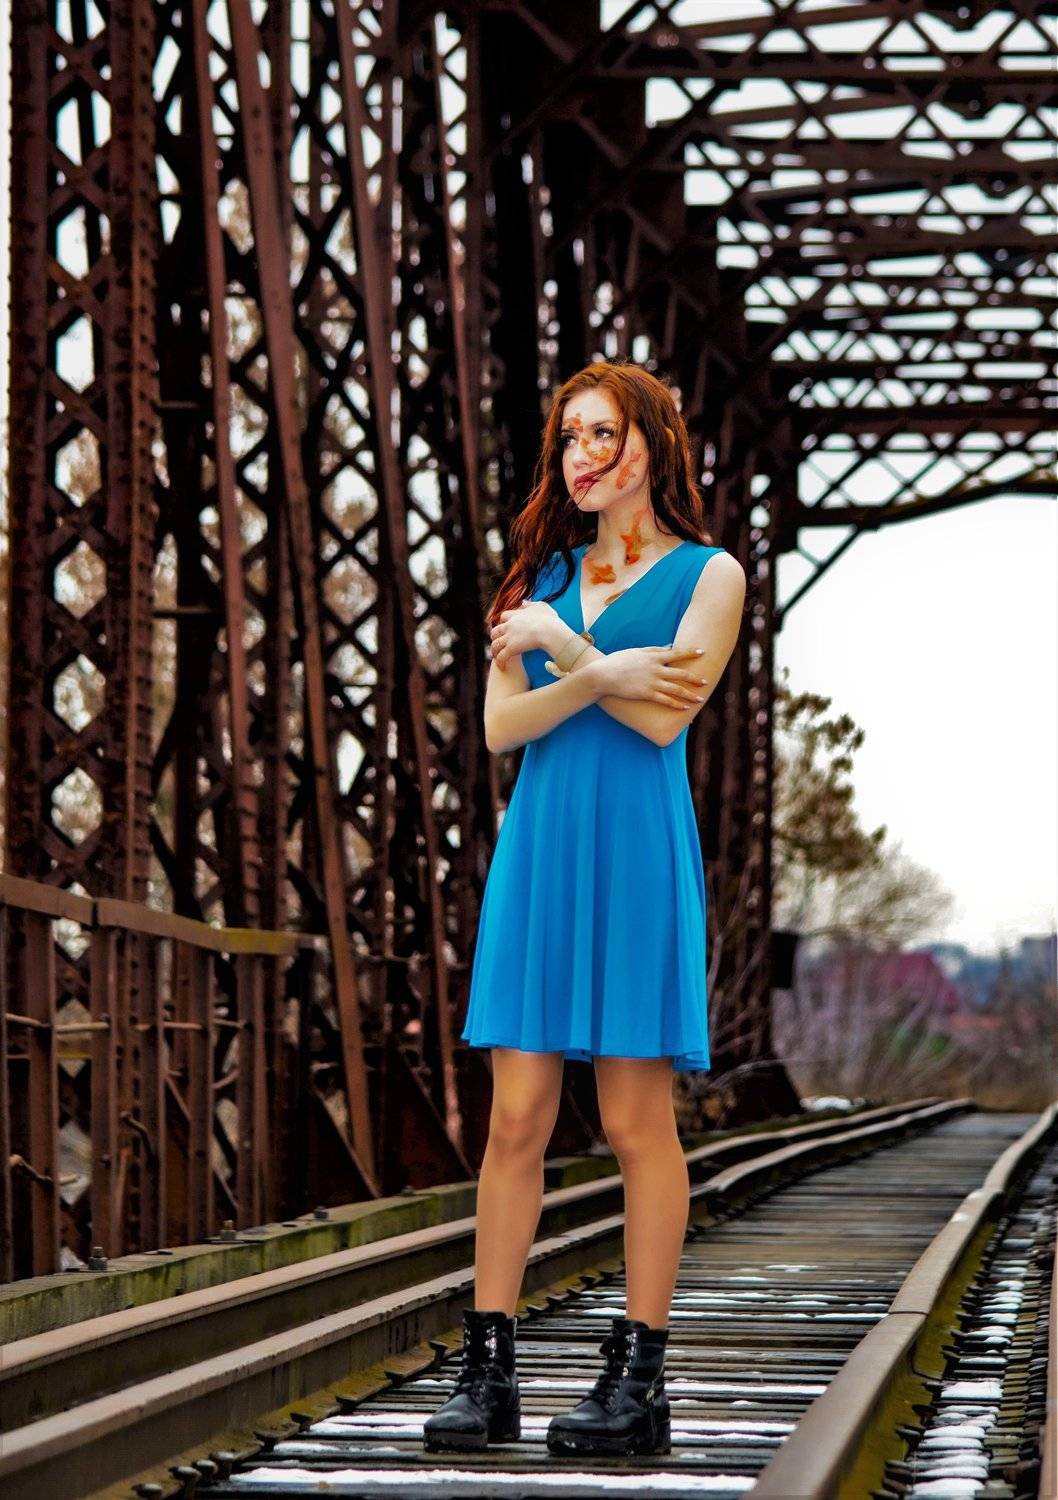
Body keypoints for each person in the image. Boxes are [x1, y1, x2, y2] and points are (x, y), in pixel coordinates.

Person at [423, 359, 746, 1458]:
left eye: (605, 433)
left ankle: (639, 1383)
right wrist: (603, 671)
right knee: (514, 1118)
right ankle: (489, 1372)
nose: (583, 455)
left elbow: (664, 723)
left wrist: (563, 652)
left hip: (638, 853)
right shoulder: (536, 576)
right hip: (542, 847)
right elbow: (501, 731)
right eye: (570, 437)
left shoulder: (709, 575)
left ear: (653, 443)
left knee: (631, 1123)